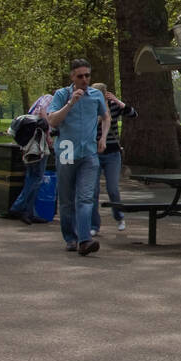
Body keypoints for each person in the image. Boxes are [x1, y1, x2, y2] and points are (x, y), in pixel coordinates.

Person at [47, 59, 109, 256]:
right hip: (66, 150)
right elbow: (53, 121)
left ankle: (85, 240)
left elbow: (106, 116)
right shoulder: (61, 95)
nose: (84, 79)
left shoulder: (96, 95)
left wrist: (103, 138)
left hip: (89, 152)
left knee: (85, 198)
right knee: (66, 199)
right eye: (80, 76)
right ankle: (70, 238)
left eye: (87, 76)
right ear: (72, 77)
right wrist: (70, 103)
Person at [90, 84, 136, 236]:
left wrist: (118, 101)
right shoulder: (90, 107)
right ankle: (94, 225)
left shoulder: (114, 106)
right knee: (93, 191)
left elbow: (133, 114)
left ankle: (119, 216)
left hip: (112, 153)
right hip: (94, 153)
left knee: (112, 189)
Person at [6, 92, 53, 224]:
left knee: (31, 176)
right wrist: (48, 134)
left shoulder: (40, 98)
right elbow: (43, 113)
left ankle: (29, 212)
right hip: (38, 141)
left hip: (28, 141)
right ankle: (18, 206)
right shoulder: (51, 98)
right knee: (37, 177)